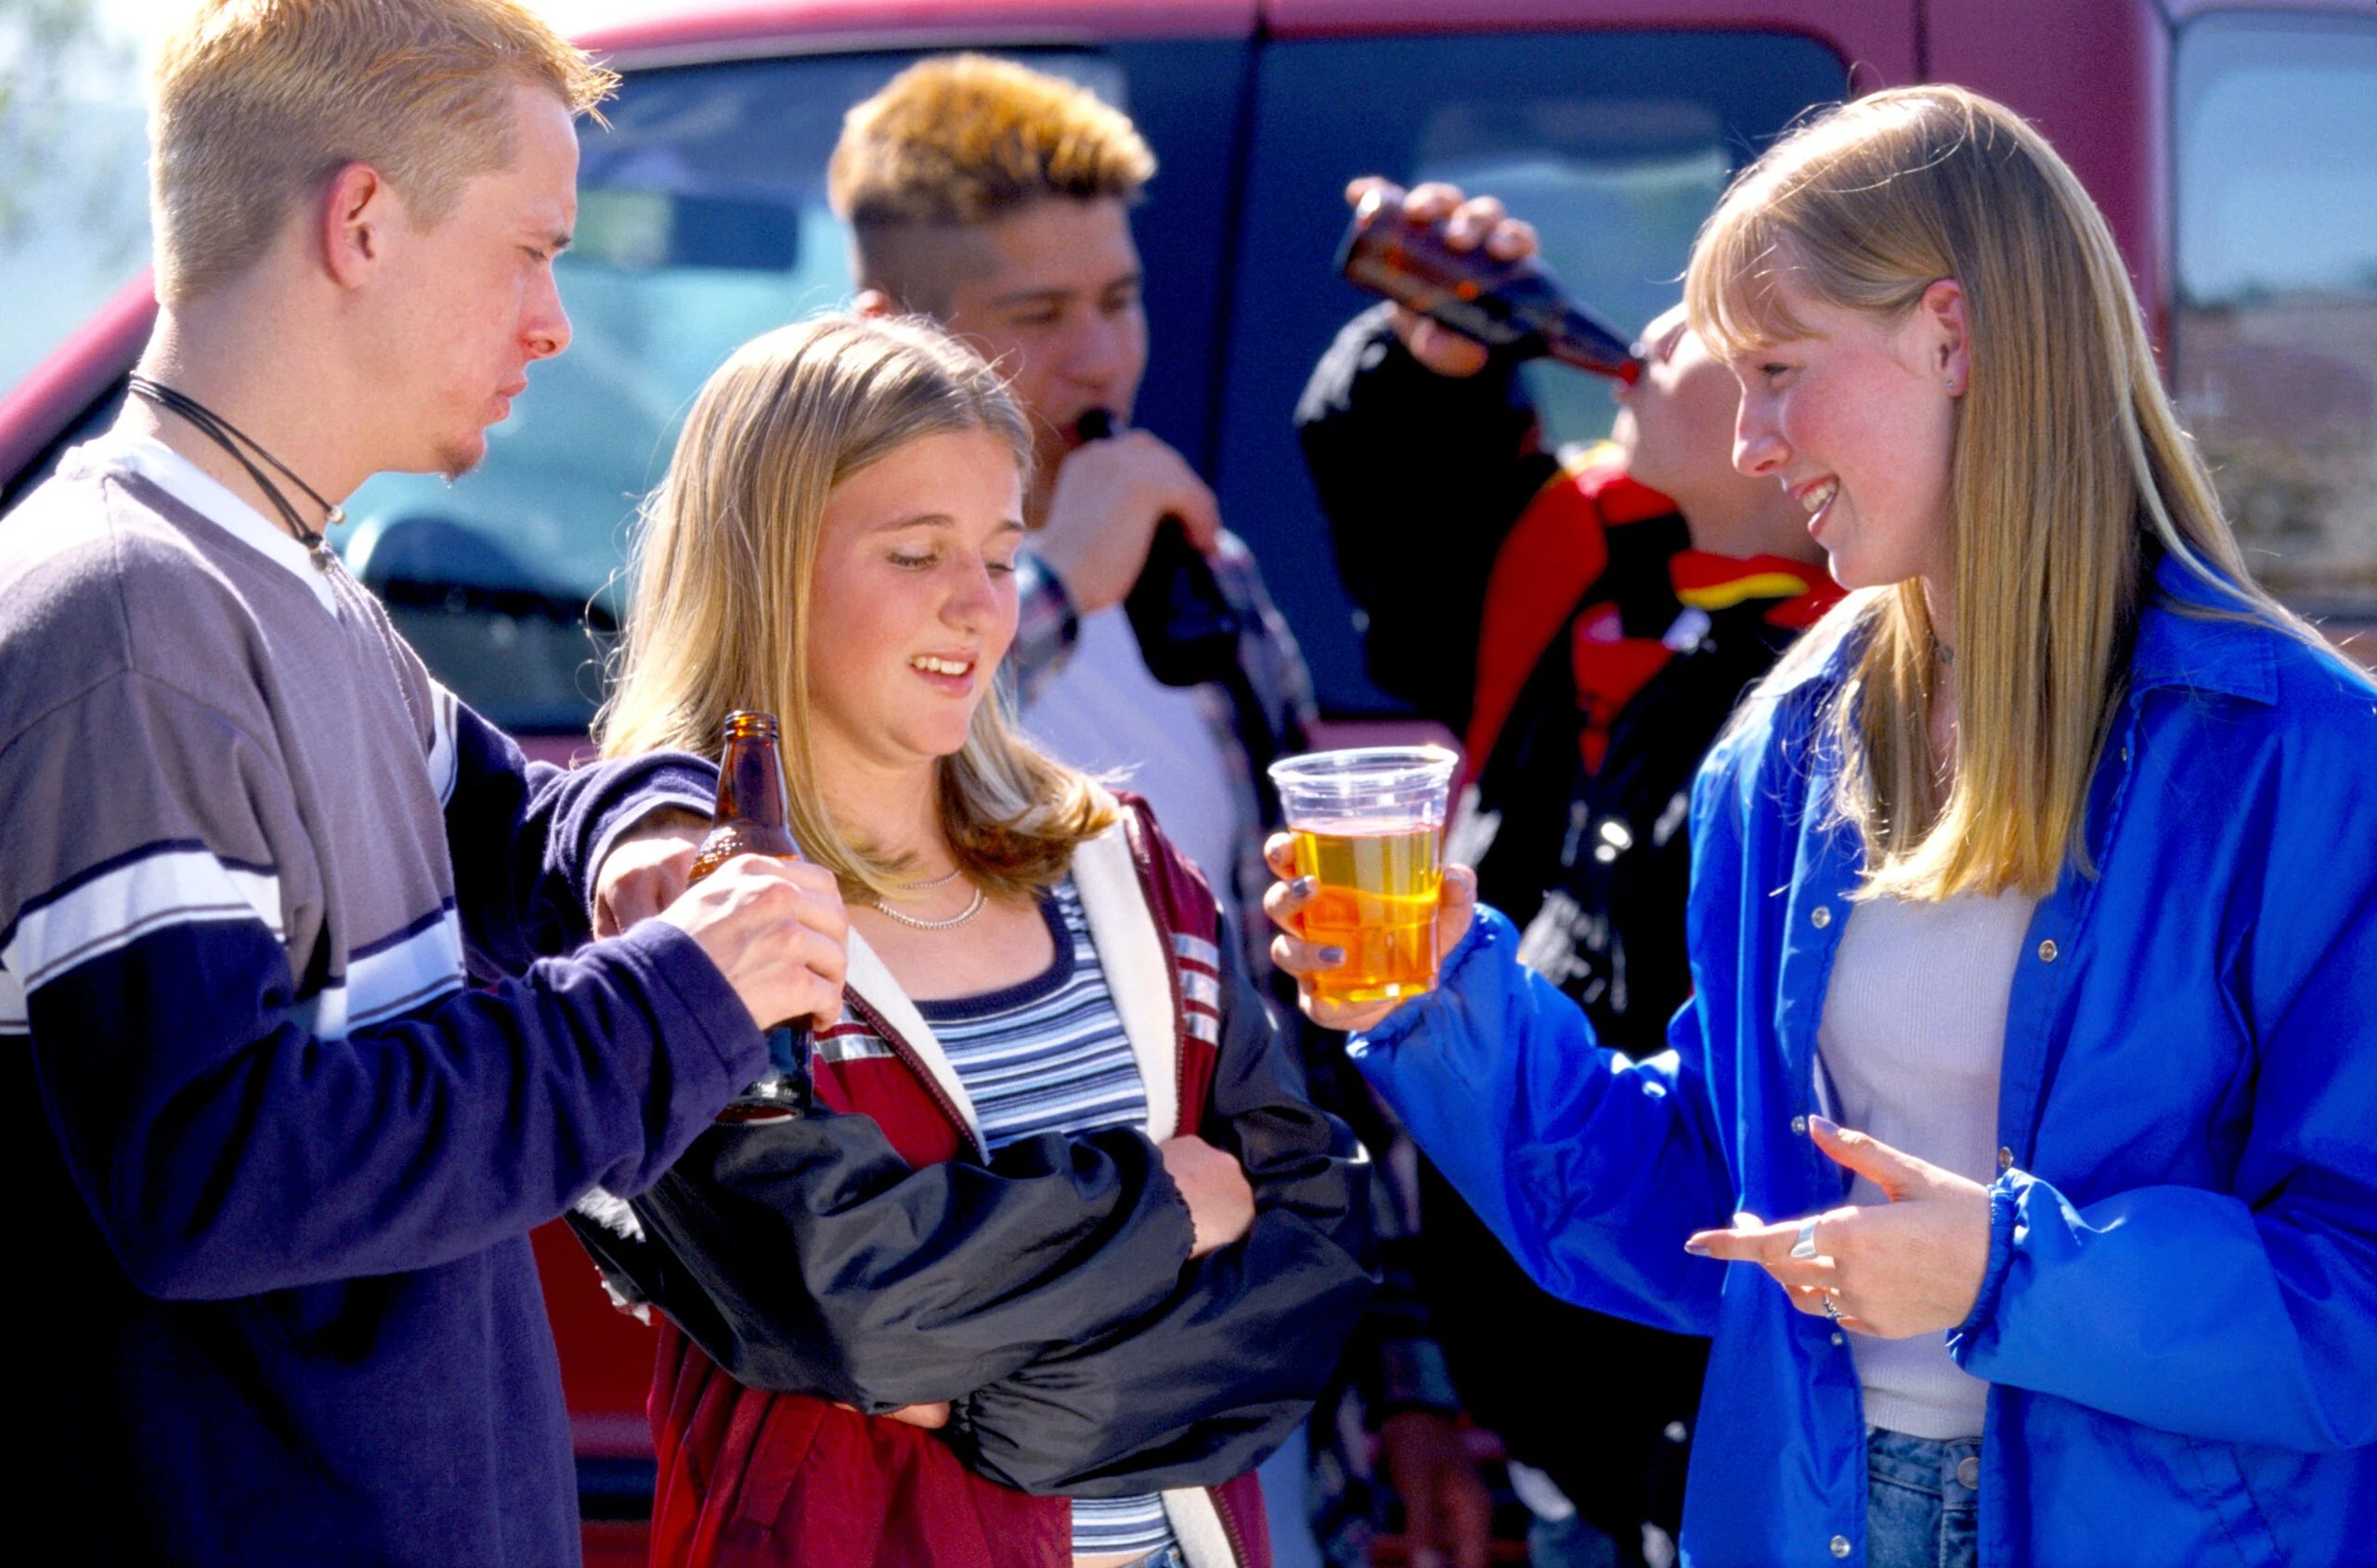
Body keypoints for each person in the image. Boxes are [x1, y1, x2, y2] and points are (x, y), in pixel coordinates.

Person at [1270, 86, 2377, 1568]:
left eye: (1780, 368)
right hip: (1814, 1520)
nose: (1749, 436)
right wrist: (1438, 1000)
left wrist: (2005, 1268)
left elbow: (2355, 1295)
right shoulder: (1790, 744)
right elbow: (1717, 1199)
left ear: (1953, 336)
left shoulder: (2299, 752)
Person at [0, 3, 851, 1564]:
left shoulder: (297, 587)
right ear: (365, 221)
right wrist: (672, 1000)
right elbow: (218, 1168)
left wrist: (645, 843)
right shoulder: (125, 616)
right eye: (531, 249)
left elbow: (522, 823)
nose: (555, 321)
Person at [576, 313, 1375, 1568]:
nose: (979, 604)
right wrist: (1168, 1204)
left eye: (1004, 556)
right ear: (768, 565)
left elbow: (1309, 1260)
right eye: (915, 552)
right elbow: (846, 1312)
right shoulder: (686, 916)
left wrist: (1005, 1412)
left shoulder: (1122, 864)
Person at [1295, 182, 1838, 1568]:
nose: (1659, 325)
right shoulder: (1593, 560)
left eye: (1733, 325)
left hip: (1729, 1417)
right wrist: (1436, 363)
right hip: (1550, 1404)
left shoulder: (1870, 698)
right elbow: (1419, 545)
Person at [827, 54, 1315, 952]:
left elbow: (1286, 905)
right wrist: (1059, 580)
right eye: (1040, 315)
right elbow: (828, 795)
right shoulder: (826, 573)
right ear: (892, 333)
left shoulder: (1207, 565)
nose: (1100, 358)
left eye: (1119, 302)